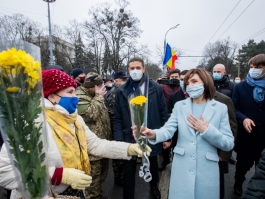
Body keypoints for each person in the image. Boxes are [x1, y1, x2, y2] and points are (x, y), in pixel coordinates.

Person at [0, 69, 151, 199]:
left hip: (76, 191)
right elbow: (5, 171)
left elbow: (96, 145)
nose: (75, 97)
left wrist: (128, 149)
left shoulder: (74, 119)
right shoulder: (31, 124)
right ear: (51, 95)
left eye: (74, 90)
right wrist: (58, 175)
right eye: (70, 92)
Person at [141, 68, 234, 199]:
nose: (190, 85)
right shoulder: (180, 106)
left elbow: (228, 143)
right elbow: (168, 129)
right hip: (182, 169)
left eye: (194, 81)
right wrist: (154, 134)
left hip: (207, 172)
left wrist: (207, 130)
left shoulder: (220, 108)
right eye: (187, 83)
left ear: (205, 83)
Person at [113, 57, 168, 199]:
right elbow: (117, 118)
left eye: (138, 67)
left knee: (153, 166)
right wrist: (119, 140)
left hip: (150, 135)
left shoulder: (155, 88)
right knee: (129, 172)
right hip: (129, 138)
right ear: (128, 70)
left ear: (144, 69)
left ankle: (154, 191)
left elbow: (163, 111)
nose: (135, 71)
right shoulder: (122, 91)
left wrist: (164, 136)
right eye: (132, 68)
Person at [232, 54, 265, 196]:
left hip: (263, 137)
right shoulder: (240, 87)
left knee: (261, 168)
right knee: (242, 166)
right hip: (246, 135)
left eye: (258, 67)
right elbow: (234, 107)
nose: (254, 70)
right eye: (252, 67)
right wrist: (243, 118)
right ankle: (238, 182)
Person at [75, 72, 111, 199]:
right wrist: (99, 97)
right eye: (98, 85)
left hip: (102, 146)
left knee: (101, 178)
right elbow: (91, 115)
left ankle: (99, 195)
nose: (101, 88)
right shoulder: (80, 96)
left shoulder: (94, 95)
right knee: (92, 183)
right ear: (91, 86)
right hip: (91, 151)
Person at [104, 71, 129, 186]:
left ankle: (121, 176)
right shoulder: (114, 93)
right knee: (118, 155)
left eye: (125, 80)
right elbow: (114, 114)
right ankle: (119, 178)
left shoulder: (121, 91)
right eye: (122, 80)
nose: (125, 82)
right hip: (116, 128)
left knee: (122, 154)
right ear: (116, 81)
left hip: (122, 128)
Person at [213, 63, 236, 165]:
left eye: (218, 72)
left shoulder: (232, 86)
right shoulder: (210, 84)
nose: (216, 74)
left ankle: (227, 154)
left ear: (224, 72)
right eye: (214, 72)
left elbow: (234, 105)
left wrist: (226, 152)